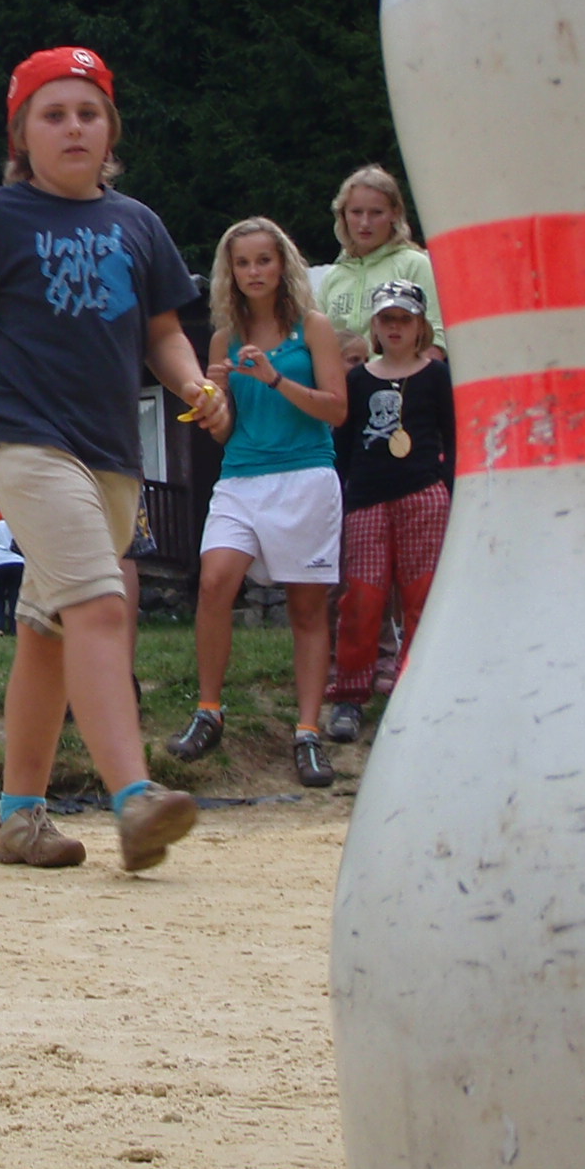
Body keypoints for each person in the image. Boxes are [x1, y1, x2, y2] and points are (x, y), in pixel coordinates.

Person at [0, 46, 229, 873]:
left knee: (47, 629)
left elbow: (164, 333)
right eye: (53, 114)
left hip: (112, 456)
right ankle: (134, 797)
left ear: (112, 131)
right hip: (24, 441)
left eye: (89, 113)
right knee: (100, 605)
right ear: (20, 136)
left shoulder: (139, 225)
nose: (74, 127)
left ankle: (19, 819)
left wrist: (193, 384)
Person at [170, 218, 348, 788]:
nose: (253, 272)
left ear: (283, 265)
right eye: (242, 263)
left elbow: (337, 409)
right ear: (230, 272)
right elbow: (225, 431)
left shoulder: (313, 327)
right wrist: (213, 405)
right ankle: (209, 711)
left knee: (307, 609)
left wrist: (274, 379)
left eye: (263, 260)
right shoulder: (222, 337)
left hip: (306, 474)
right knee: (215, 581)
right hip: (242, 475)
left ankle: (307, 731)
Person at [328, 281, 454, 743]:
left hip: (423, 495)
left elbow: (453, 436)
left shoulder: (437, 376)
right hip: (366, 499)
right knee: (362, 598)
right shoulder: (358, 380)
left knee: (422, 596)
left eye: (405, 319)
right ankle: (350, 692)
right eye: (387, 319)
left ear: (421, 326)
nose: (395, 327)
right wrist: (344, 493)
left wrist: (448, 487)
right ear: (375, 326)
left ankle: (415, 689)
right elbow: (343, 444)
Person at [319, 164, 446, 365]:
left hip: (398, 379)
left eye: (376, 213)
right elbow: (317, 343)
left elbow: (436, 338)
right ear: (343, 215)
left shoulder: (414, 264)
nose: (365, 223)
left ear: (394, 214)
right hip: (341, 382)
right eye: (356, 212)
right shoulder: (333, 276)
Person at [0, 510, 24, 635]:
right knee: (15, 595)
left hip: (0, 562)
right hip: (18, 561)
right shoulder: (18, 525)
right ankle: (15, 627)